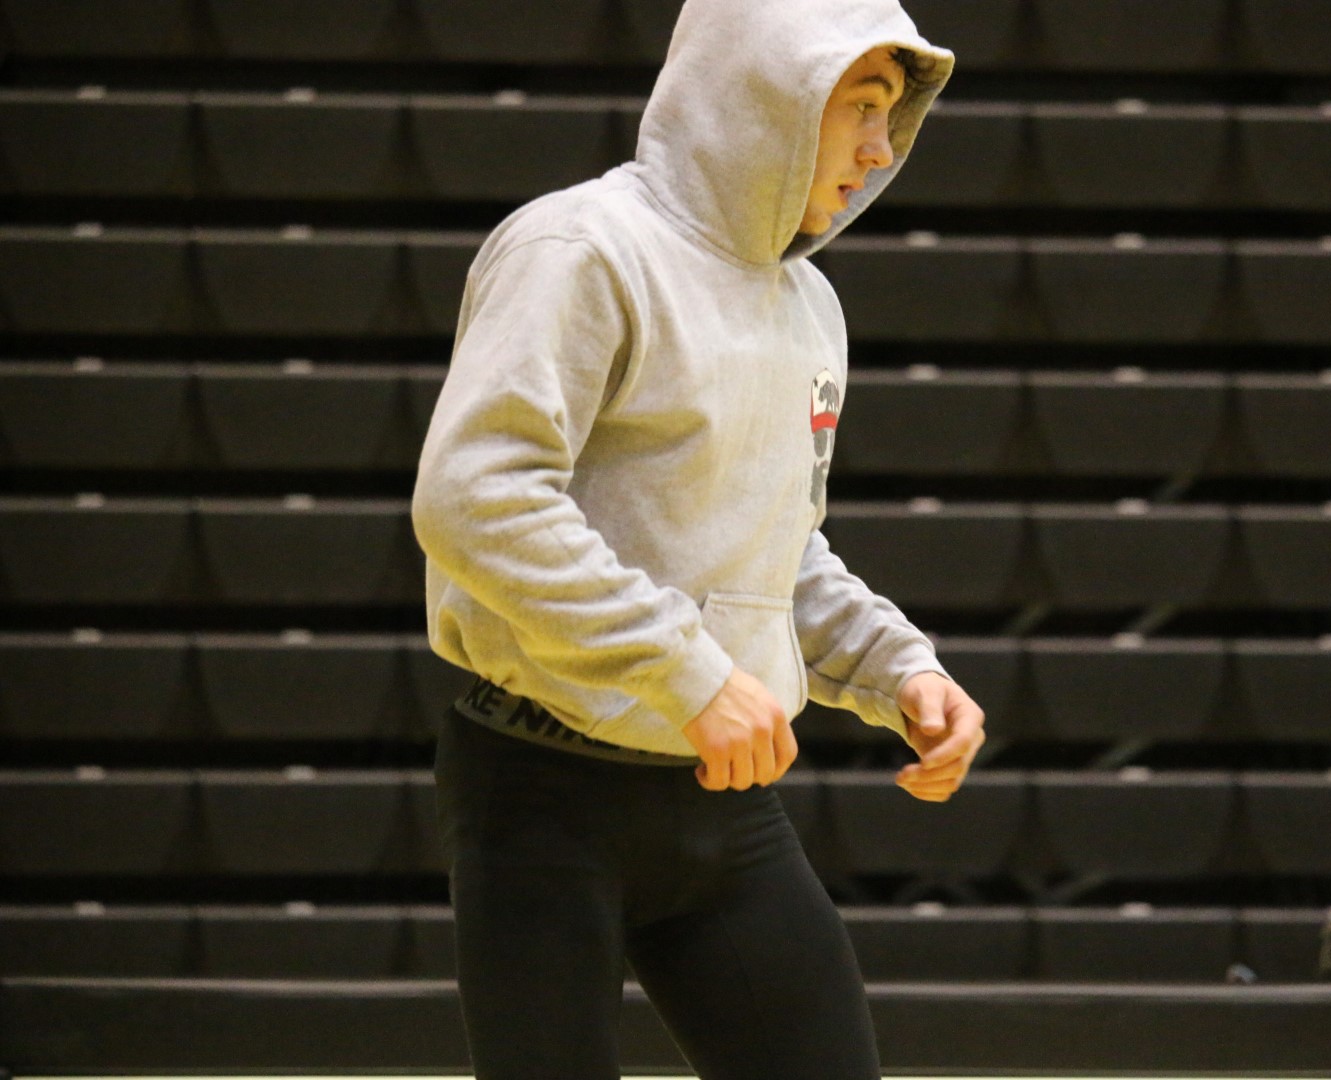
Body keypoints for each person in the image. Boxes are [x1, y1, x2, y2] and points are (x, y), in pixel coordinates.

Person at [411, 0, 985, 1075]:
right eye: (860, 106)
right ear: (769, 93)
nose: (881, 148)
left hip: (721, 810)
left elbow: (775, 544)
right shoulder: (580, 248)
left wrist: (897, 667)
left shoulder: (810, 306)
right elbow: (476, 496)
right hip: (541, 792)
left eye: (892, 115)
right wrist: (686, 670)